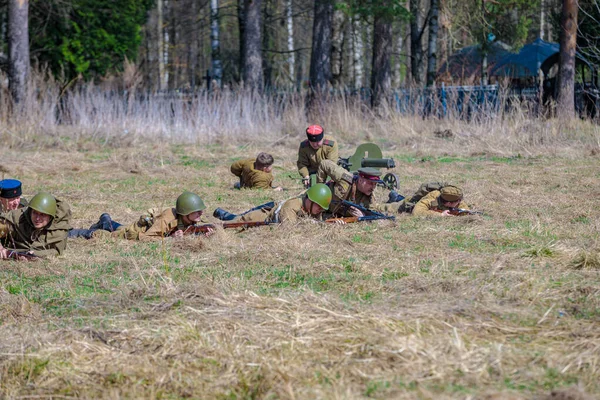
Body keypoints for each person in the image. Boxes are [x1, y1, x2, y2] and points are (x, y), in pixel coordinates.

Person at [69, 191, 215, 240]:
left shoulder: (193, 217)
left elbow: (192, 230)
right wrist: (171, 240)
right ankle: (74, 232)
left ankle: (106, 220)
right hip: (135, 234)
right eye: (197, 211)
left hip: (136, 228)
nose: (201, 213)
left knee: (117, 227)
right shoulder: (166, 219)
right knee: (107, 236)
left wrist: (203, 234)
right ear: (185, 212)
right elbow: (145, 239)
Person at [214, 183, 332, 225]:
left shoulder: (313, 208)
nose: (320, 210)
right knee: (234, 223)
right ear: (310, 200)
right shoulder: (292, 206)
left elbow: (318, 223)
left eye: (322, 209)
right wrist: (309, 223)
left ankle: (222, 214)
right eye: (319, 207)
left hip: (274, 208)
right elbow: (289, 230)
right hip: (262, 216)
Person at [0, 192, 71, 260]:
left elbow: (56, 251)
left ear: (50, 216)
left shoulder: (59, 230)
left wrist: (33, 254)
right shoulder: (19, 219)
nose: (37, 218)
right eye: (35, 213)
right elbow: (2, 228)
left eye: (42, 214)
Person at [316, 159, 383, 217]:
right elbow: (324, 164)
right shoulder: (345, 178)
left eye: (375, 184)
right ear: (360, 180)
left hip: (330, 215)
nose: (373, 187)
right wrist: (320, 190)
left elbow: (373, 212)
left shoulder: (369, 197)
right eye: (370, 183)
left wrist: (363, 215)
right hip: (316, 205)